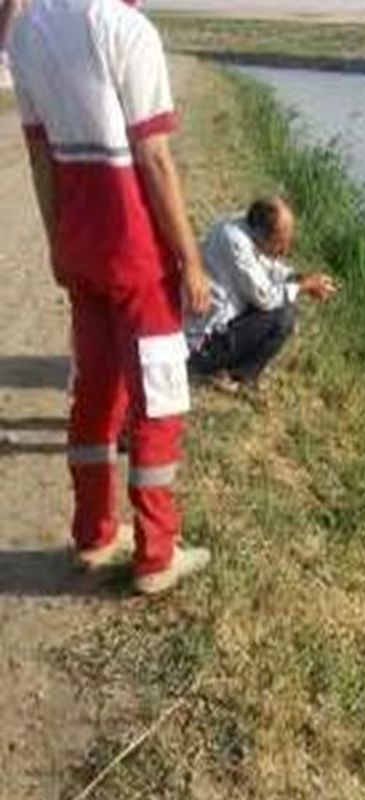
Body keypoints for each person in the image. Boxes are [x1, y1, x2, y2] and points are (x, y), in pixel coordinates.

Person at [9, 0, 212, 594]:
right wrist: (191, 261)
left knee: (95, 395)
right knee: (157, 400)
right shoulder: (129, 30)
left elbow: (39, 156)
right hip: (137, 256)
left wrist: (56, 244)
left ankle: (94, 535)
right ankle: (156, 554)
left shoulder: (28, 33)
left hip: (81, 247)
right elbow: (154, 158)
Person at [186, 196, 337, 392]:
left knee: (282, 305)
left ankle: (232, 372)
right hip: (199, 347)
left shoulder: (247, 227)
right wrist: (303, 286)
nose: (285, 250)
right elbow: (265, 298)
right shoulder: (236, 244)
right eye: (280, 243)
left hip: (217, 327)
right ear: (262, 233)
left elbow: (270, 266)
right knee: (282, 316)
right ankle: (234, 377)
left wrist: (298, 277)